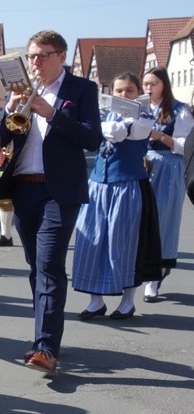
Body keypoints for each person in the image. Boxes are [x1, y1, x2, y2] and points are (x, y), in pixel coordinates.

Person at [0, 30, 101, 376]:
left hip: (60, 190)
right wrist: (9, 111)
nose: (35, 62)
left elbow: (91, 138)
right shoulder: (23, 91)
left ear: (61, 56)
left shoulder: (82, 90)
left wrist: (53, 113)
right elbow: (1, 138)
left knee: (50, 264)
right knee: (36, 266)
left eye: (42, 55)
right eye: (31, 56)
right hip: (24, 187)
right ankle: (44, 335)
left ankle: (45, 347)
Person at [73, 72, 160, 321]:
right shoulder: (101, 114)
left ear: (137, 93)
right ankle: (95, 301)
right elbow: (93, 136)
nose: (124, 95)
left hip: (128, 186)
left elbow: (121, 133)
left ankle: (127, 302)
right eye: (119, 91)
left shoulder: (145, 117)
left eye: (129, 91)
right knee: (91, 241)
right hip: (99, 186)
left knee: (125, 245)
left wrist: (109, 125)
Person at [141, 67, 191, 302]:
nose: (148, 88)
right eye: (145, 84)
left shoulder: (179, 110)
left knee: (162, 220)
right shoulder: (140, 107)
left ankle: (156, 275)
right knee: (139, 219)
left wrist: (160, 136)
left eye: (153, 84)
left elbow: (184, 146)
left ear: (164, 85)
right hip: (141, 165)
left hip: (168, 167)